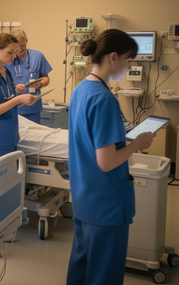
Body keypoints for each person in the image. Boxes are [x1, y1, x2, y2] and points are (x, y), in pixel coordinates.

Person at [66, 29, 155, 285]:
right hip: (106, 204)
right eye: (129, 60)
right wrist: (137, 143)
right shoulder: (104, 99)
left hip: (85, 198)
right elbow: (106, 162)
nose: (130, 67)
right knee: (104, 276)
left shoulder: (81, 89)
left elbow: (91, 138)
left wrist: (120, 133)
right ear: (113, 57)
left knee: (81, 269)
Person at [0, 32, 38, 164]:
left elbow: (7, 102)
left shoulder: (6, 72)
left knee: (10, 183)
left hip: (10, 137)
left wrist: (24, 101)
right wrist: (17, 99)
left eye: (15, 52)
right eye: (10, 52)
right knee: (0, 183)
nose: (14, 56)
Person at [4, 29, 52, 124]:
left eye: (23, 45)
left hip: (33, 109)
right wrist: (14, 88)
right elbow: (1, 83)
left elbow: (46, 78)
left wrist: (40, 84)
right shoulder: (7, 59)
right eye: (17, 47)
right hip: (13, 108)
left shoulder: (38, 56)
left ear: (27, 41)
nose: (21, 49)